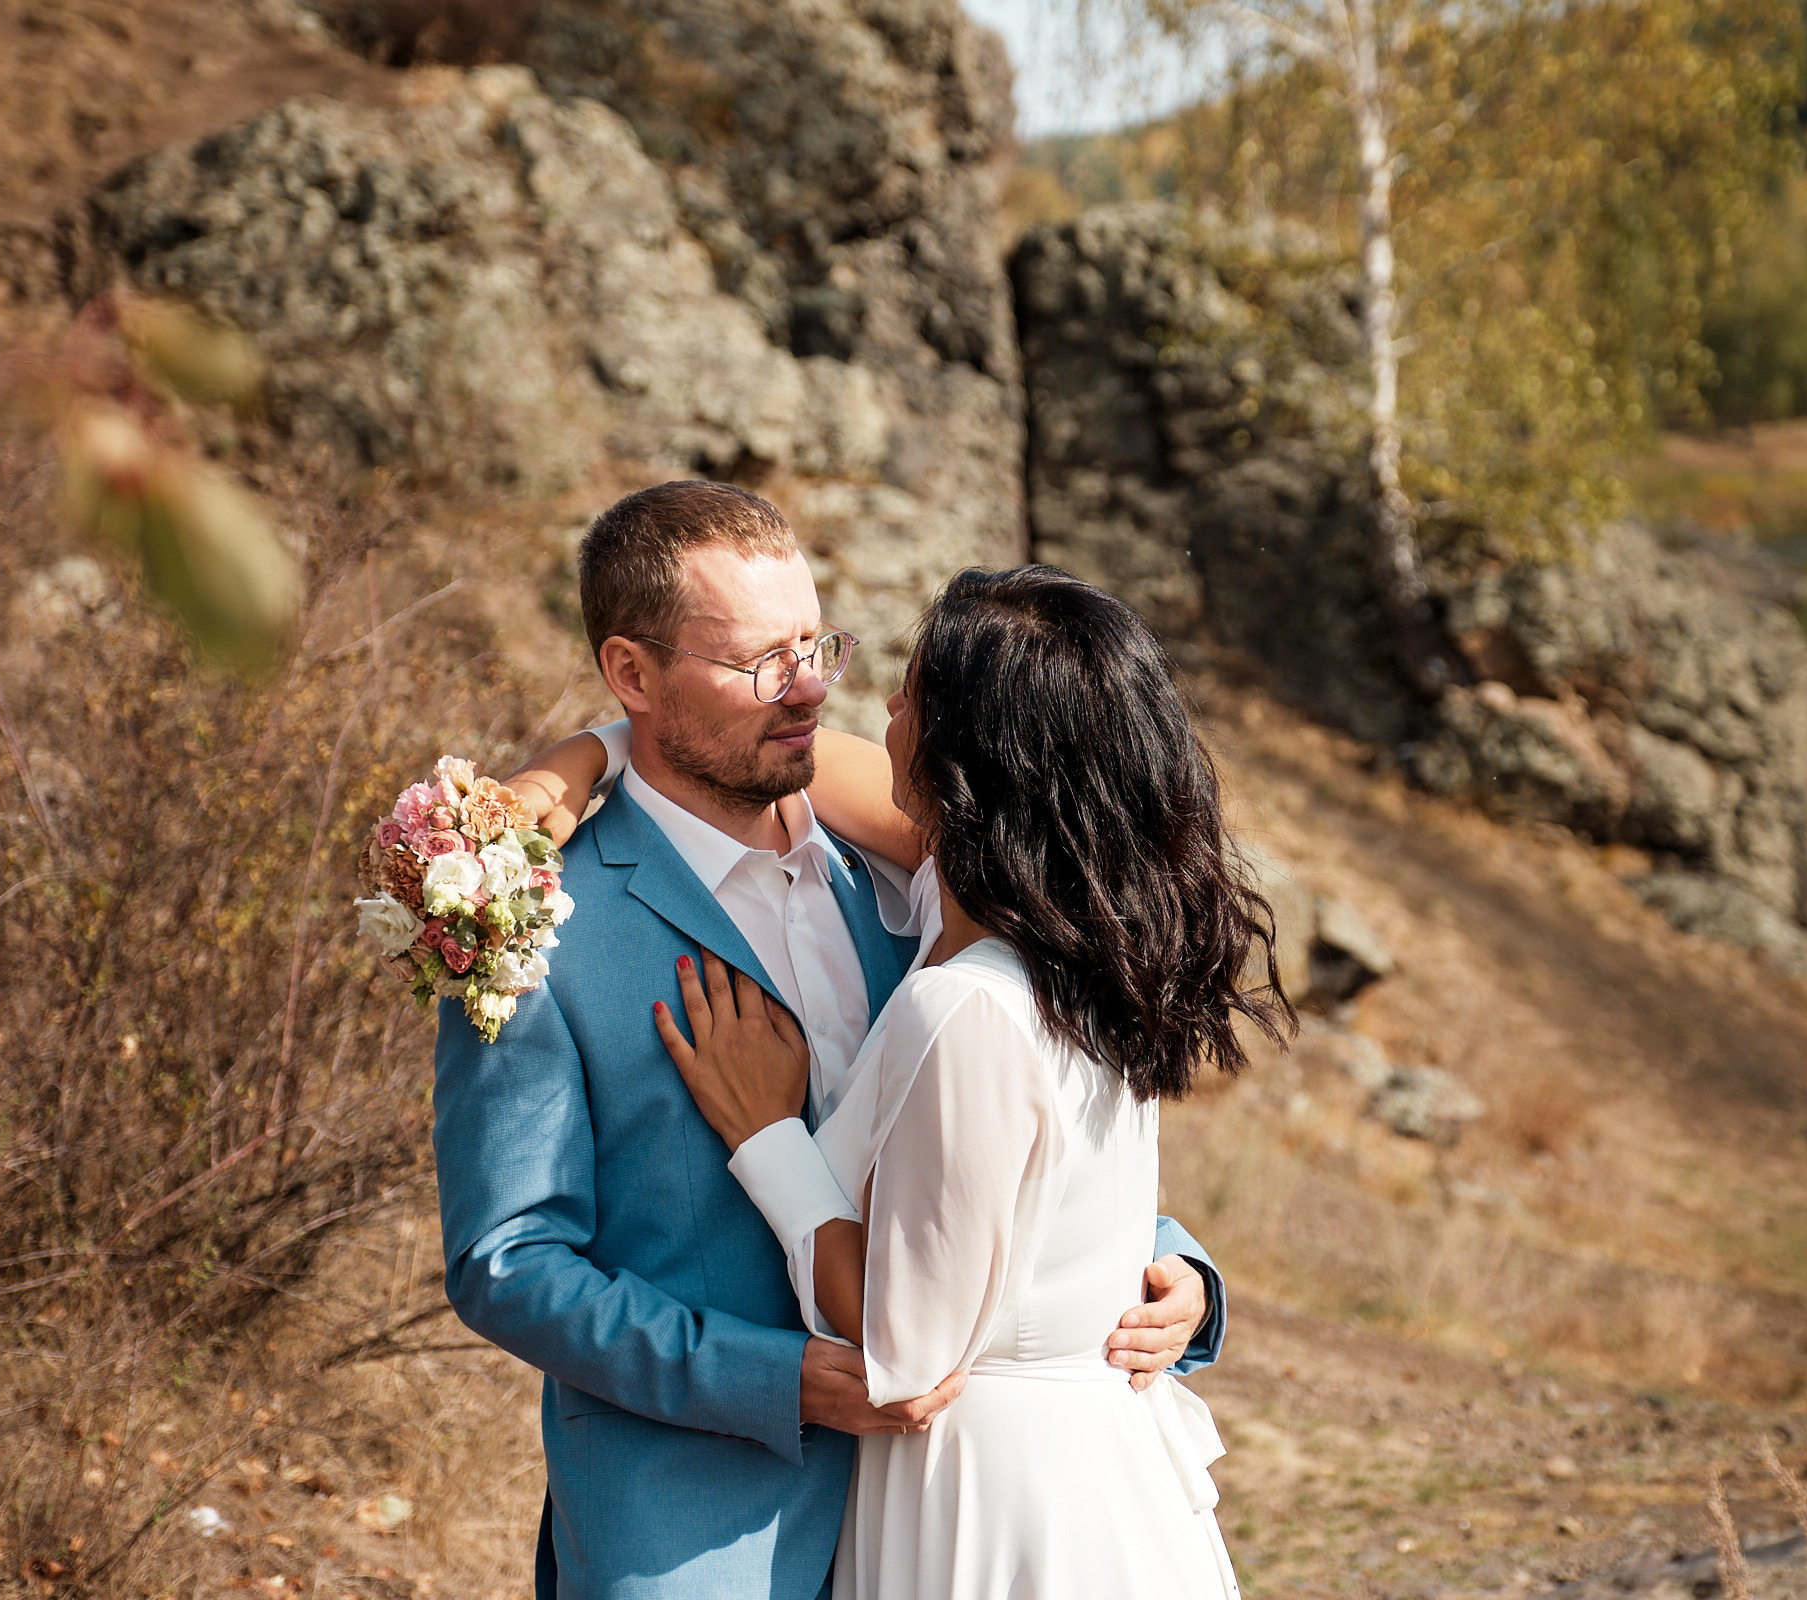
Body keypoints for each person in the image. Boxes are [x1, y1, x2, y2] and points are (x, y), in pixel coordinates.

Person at [437, 480, 1229, 1600]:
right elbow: (506, 1262)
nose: (808, 687)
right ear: (632, 674)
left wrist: (1170, 1262)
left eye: (816, 643)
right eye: (762, 659)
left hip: (961, 1513)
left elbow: (1000, 1111)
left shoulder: (913, 868)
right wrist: (775, 1379)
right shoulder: (540, 926)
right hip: (702, 1541)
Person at [660, 564, 1291, 1596]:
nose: (887, 710)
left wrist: (766, 1135)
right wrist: (585, 756)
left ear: (969, 750)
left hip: (997, 1507)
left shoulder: (966, 1005)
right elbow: (780, 762)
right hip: (1083, 1473)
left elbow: (904, 1356)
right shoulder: (1075, 955)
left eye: (913, 691)